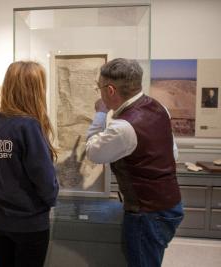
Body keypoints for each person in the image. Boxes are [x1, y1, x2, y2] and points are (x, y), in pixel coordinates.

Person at [86, 58, 183, 267]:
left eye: (99, 88)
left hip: (147, 214)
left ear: (110, 90)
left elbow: (93, 152)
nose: (99, 93)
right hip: (171, 205)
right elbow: (172, 154)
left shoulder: (123, 127)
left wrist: (101, 113)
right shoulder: (160, 108)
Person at [0, 61, 59, 267]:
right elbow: (45, 180)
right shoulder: (28, 126)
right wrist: (51, 199)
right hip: (29, 222)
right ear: (35, 89)